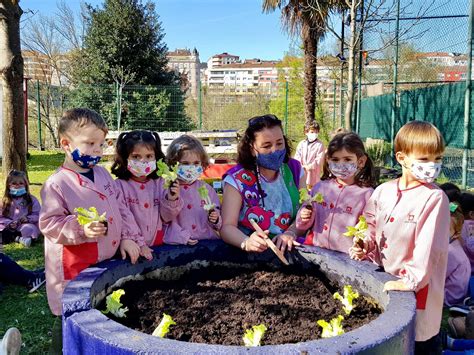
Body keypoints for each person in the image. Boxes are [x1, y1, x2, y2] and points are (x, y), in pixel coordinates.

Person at [350, 121, 449, 353]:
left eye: (438, 159)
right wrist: (363, 243)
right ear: (402, 158)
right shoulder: (383, 191)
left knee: (417, 342)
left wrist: (410, 282)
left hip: (416, 290)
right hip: (387, 282)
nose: (432, 166)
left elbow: (429, 248)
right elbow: (370, 224)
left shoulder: (434, 198)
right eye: (424, 160)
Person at [39, 108, 142, 316]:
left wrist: (128, 237)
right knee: (74, 315)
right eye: (90, 143)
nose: (97, 150)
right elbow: (50, 224)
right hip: (75, 268)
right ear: (66, 144)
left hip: (105, 260)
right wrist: (81, 228)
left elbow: (121, 207)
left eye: (101, 144)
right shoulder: (57, 184)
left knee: (101, 308)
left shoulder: (102, 174)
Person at [221, 114, 305, 253]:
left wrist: (291, 232)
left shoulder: (295, 170)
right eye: (266, 146)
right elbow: (227, 227)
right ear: (252, 149)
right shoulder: (236, 180)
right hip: (250, 255)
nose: (275, 150)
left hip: (290, 249)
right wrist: (246, 242)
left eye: (279, 143)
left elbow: (305, 211)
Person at [295, 132, 375, 253]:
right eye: (335, 160)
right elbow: (303, 225)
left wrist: (362, 247)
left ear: (361, 161)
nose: (341, 164)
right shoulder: (319, 188)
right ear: (328, 161)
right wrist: (304, 216)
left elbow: (369, 229)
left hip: (347, 260)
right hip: (316, 252)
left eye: (347, 159)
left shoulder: (367, 195)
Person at [111, 130, 182, 254]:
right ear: (125, 158)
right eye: (136, 157)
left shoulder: (161, 184)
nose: (143, 161)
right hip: (132, 248)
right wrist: (139, 243)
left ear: (156, 157)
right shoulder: (118, 187)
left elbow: (166, 217)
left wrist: (171, 199)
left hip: (157, 244)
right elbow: (123, 218)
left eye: (149, 156)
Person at [163, 135, 221, 245]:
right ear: (173, 164)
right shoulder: (168, 188)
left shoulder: (207, 189)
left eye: (196, 163)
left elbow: (217, 214)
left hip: (207, 242)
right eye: (185, 164)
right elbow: (165, 220)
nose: (191, 168)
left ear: (202, 163)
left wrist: (216, 218)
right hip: (179, 244)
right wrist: (181, 236)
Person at [0, 170, 41, 247]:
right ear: (8, 185)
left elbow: (38, 214)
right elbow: (1, 217)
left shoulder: (32, 200)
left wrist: (28, 219)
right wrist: (9, 223)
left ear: (25, 185)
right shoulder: (4, 201)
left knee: (30, 229)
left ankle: (12, 237)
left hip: (24, 225)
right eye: (14, 183)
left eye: (21, 183)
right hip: (7, 226)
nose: (17, 186)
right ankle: (17, 238)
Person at [444, 201, 470, 306]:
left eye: (445, 230)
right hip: (454, 294)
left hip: (448, 297)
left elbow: (436, 277)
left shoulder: (450, 252)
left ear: (456, 234)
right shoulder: (453, 245)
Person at [294, 121, 325, 189]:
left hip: (313, 175)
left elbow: (319, 159)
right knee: (302, 192)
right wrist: (300, 166)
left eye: (316, 132)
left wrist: (309, 167)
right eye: (312, 132)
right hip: (302, 173)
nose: (315, 134)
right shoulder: (301, 144)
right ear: (306, 132)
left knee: (313, 192)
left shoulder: (320, 145)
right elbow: (297, 156)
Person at [461, 192, 474, 273]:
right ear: (471, 214)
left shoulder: (453, 223)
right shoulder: (471, 226)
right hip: (471, 272)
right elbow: (472, 247)